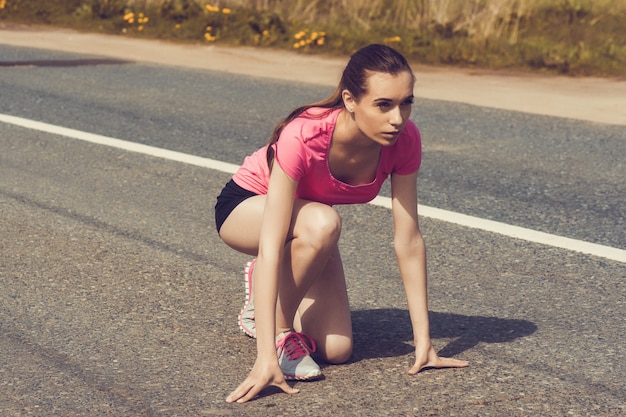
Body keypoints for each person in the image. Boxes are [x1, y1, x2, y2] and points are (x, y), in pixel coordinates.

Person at [215, 44, 468, 404]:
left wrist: (424, 342)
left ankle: (278, 295)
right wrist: (265, 358)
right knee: (323, 221)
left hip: (310, 223)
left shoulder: (405, 140)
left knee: (337, 350)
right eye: (384, 104)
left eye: (406, 102)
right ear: (350, 100)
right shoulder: (305, 134)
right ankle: (270, 320)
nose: (398, 118)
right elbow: (270, 245)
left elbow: (408, 240)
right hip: (247, 208)